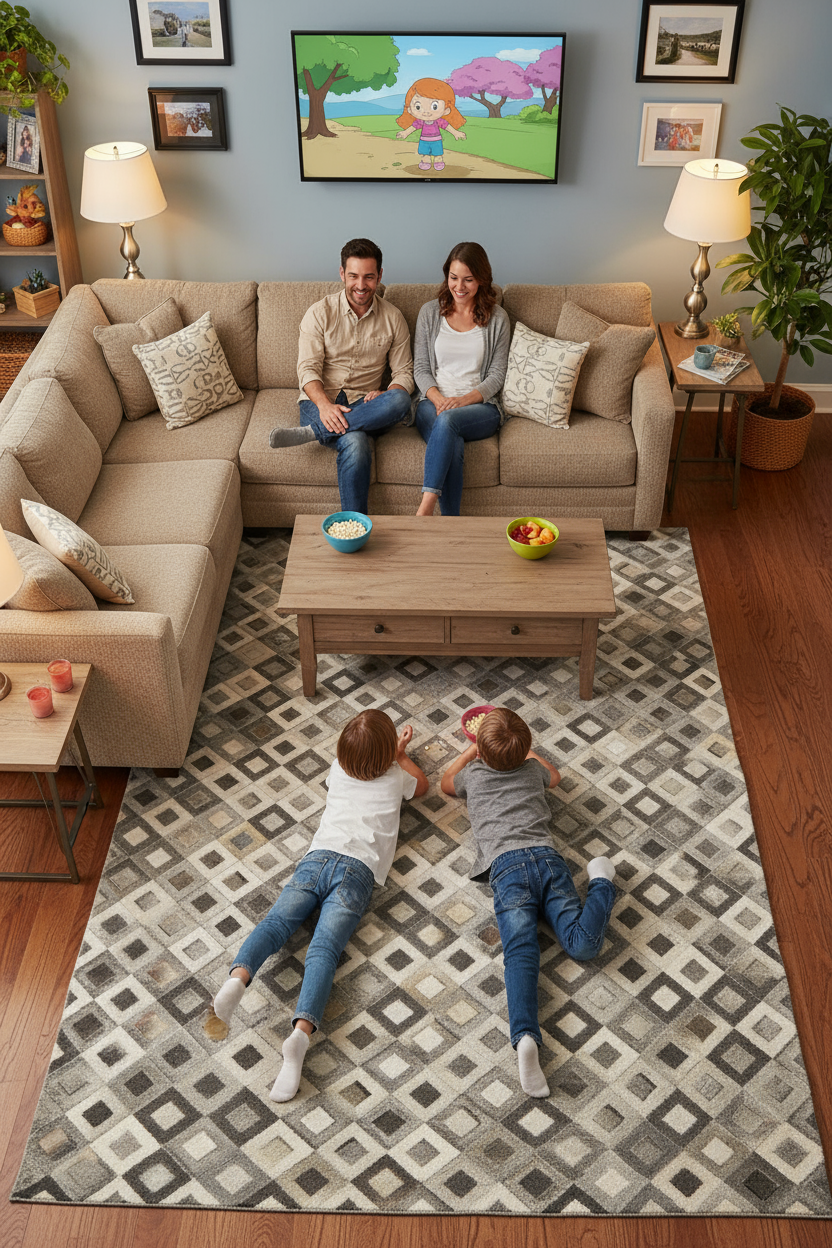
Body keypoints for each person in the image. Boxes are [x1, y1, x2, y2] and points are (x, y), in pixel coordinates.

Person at [207, 709, 428, 1102]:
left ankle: (238, 978)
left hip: (317, 859)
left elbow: (357, 761)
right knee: (323, 949)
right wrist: (401, 754)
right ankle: (300, 1034)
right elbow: (422, 786)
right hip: (356, 872)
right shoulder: (397, 778)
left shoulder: (338, 770)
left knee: (276, 923)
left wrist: (383, 752)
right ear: (388, 758)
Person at [440, 708, 616, 1098]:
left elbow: (445, 783)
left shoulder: (473, 774)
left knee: (521, 954)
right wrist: (529, 755)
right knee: (583, 946)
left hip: (507, 869)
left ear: (480, 751)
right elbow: (555, 777)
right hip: (547, 860)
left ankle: (524, 1037)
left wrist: (472, 752)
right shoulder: (533, 770)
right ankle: (602, 881)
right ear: (527, 750)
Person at [269, 239, 413, 514]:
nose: (361, 285)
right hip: (321, 402)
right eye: (354, 276)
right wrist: (324, 406)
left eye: (369, 277)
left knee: (400, 401)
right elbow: (307, 370)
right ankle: (356, 529)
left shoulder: (393, 317)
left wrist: (387, 391)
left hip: (369, 405)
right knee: (356, 443)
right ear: (342, 273)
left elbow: (404, 372)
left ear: (380, 276)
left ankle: (314, 433)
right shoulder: (319, 313)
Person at [413, 242, 510, 516]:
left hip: (480, 408)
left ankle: (425, 510)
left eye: (468, 279)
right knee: (450, 434)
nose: (459, 286)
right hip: (431, 404)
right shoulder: (429, 313)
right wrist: (440, 400)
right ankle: (450, 523)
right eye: (453, 278)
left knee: (449, 420)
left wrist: (461, 401)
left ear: (481, 279)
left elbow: (497, 375)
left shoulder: (498, 318)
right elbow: (420, 368)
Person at [396, 78, 467, 172]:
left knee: (438, 155)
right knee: (425, 155)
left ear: (446, 110)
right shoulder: (420, 122)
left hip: (436, 140)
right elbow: (413, 127)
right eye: (418, 107)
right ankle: (426, 162)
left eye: (434, 106)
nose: (426, 112)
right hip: (424, 140)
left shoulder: (439, 121)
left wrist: (456, 133)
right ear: (410, 110)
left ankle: (438, 161)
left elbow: (446, 126)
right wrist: (405, 133)